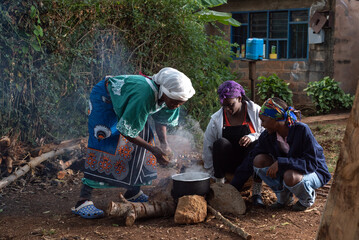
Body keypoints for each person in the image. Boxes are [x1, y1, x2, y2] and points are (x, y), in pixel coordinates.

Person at [71, 67, 195, 219]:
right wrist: (154, 150)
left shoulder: (169, 98)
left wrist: (164, 145)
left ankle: (133, 192)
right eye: (175, 102)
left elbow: (161, 120)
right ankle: (83, 201)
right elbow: (127, 132)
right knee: (104, 143)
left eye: (181, 103)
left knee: (145, 138)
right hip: (105, 100)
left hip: (130, 104)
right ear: (165, 92)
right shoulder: (144, 94)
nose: (177, 105)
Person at [252, 97, 331, 211]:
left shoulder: (302, 130)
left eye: (264, 120)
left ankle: (306, 199)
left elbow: (311, 163)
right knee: (258, 160)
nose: (262, 124)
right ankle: (283, 197)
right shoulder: (268, 135)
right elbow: (253, 156)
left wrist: (282, 162)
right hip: (289, 170)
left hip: (314, 171)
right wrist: (236, 183)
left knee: (290, 176)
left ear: (275, 119)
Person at [202, 80, 265, 206]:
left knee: (258, 145)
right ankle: (220, 186)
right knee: (220, 143)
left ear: (240, 98)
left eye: (231, 105)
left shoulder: (256, 112)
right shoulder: (216, 119)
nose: (228, 109)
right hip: (229, 163)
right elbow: (207, 147)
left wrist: (252, 136)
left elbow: (266, 135)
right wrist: (211, 175)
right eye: (224, 106)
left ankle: (257, 192)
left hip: (249, 163)